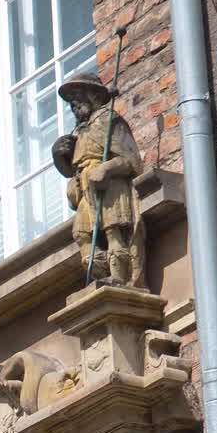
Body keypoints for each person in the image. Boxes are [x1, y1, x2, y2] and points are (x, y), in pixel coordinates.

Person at [52, 71, 146, 288]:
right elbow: (69, 170)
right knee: (83, 235)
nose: (73, 104)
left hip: (109, 186)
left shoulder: (109, 120)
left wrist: (107, 168)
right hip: (84, 189)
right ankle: (98, 274)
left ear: (92, 95)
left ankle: (119, 277)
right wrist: (59, 155)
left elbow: (132, 161)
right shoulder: (78, 132)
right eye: (70, 101)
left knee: (113, 231)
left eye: (77, 96)